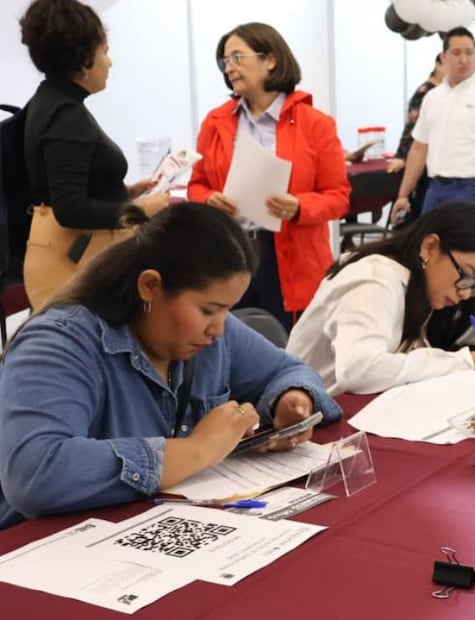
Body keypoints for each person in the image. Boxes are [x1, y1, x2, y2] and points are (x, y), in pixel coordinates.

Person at [0, 202, 341, 530]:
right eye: (208, 310)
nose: (219, 328)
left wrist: (293, 398)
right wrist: (195, 451)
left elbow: (287, 370)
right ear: (150, 286)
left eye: (228, 310)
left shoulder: (213, 335)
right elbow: (34, 472)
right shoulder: (61, 343)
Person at [286, 201, 475, 396]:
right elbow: (358, 370)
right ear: (430, 247)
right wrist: (464, 363)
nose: (465, 293)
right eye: (465, 276)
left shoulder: (425, 282)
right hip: (316, 420)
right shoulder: (373, 280)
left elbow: (462, 324)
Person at [188, 22, 351, 332]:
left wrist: (299, 207)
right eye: (225, 61)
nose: (229, 68)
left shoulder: (315, 123)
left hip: (291, 255)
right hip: (230, 251)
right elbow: (197, 184)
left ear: (270, 60)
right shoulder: (216, 122)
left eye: (238, 57)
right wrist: (208, 198)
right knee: (233, 346)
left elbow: (338, 197)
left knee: (289, 347)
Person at [19, 0, 170, 309]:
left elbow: (64, 184)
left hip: (69, 257)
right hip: (68, 264)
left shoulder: (53, 102)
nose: (110, 63)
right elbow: (70, 208)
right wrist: (141, 210)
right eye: (105, 51)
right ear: (85, 61)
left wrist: (125, 193)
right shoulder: (65, 116)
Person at [389, 27, 475, 234]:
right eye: (457, 53)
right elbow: (419, 148)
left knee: (467, 258)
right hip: (436, 187)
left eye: (469, 53)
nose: (464, 59)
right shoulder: (432, 97)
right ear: (443, 57)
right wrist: (403, 195)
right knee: (430, 254)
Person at [387, 54, 445, 229]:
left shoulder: (446, 92)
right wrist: (401, 155)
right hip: (424, 164)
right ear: (439, 64)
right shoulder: (426, 93)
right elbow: (412, 129)